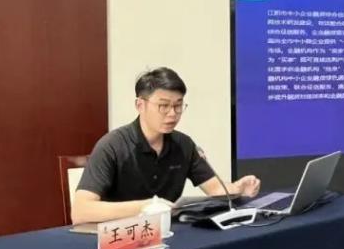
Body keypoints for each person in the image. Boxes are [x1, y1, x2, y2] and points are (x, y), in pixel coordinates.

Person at [71, 67, 260, 224]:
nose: (172, 114)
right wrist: (146, 206)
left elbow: (215, 189)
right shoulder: (112, 146)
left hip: (168, 234)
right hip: (120, 238)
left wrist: (237, 189)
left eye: (178, 105)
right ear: (140, 105)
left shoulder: (183, 144)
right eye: (163, 106)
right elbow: (81, 211)